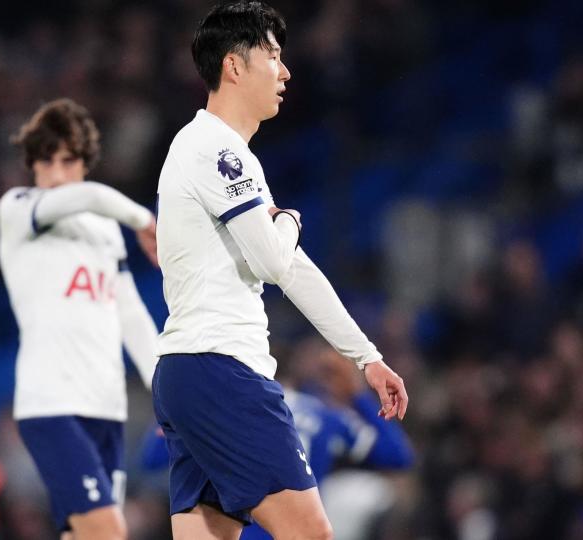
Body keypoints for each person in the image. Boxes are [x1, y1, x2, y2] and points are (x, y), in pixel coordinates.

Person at [152, 2, 409, 539]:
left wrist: (367, 357)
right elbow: (275, 259)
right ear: (234, 66)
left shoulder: (217, 152)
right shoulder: (217, 148)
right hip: (224, 369)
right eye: (272, 54)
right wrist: (291, 219)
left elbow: (293, 270)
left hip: (189, 371)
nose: (285, 70)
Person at [0, 98, 160, 539]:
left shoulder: (105, 229)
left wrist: (163, 390)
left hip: (107, 408)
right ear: (31, 165)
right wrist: (144, 219)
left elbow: (132, 316)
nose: (56, 173)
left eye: (68, 160)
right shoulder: (18, 209)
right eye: (45, 160)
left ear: (85, 161)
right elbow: (91, 196)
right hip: (52, 404)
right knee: (108, 533)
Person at [140, 344, 415, 539]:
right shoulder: (321, 415)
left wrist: (184, 409)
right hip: (294, 528)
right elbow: (398, 455)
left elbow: (151, 458)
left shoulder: (223, 411)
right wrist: (358, 397)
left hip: (232, 530)